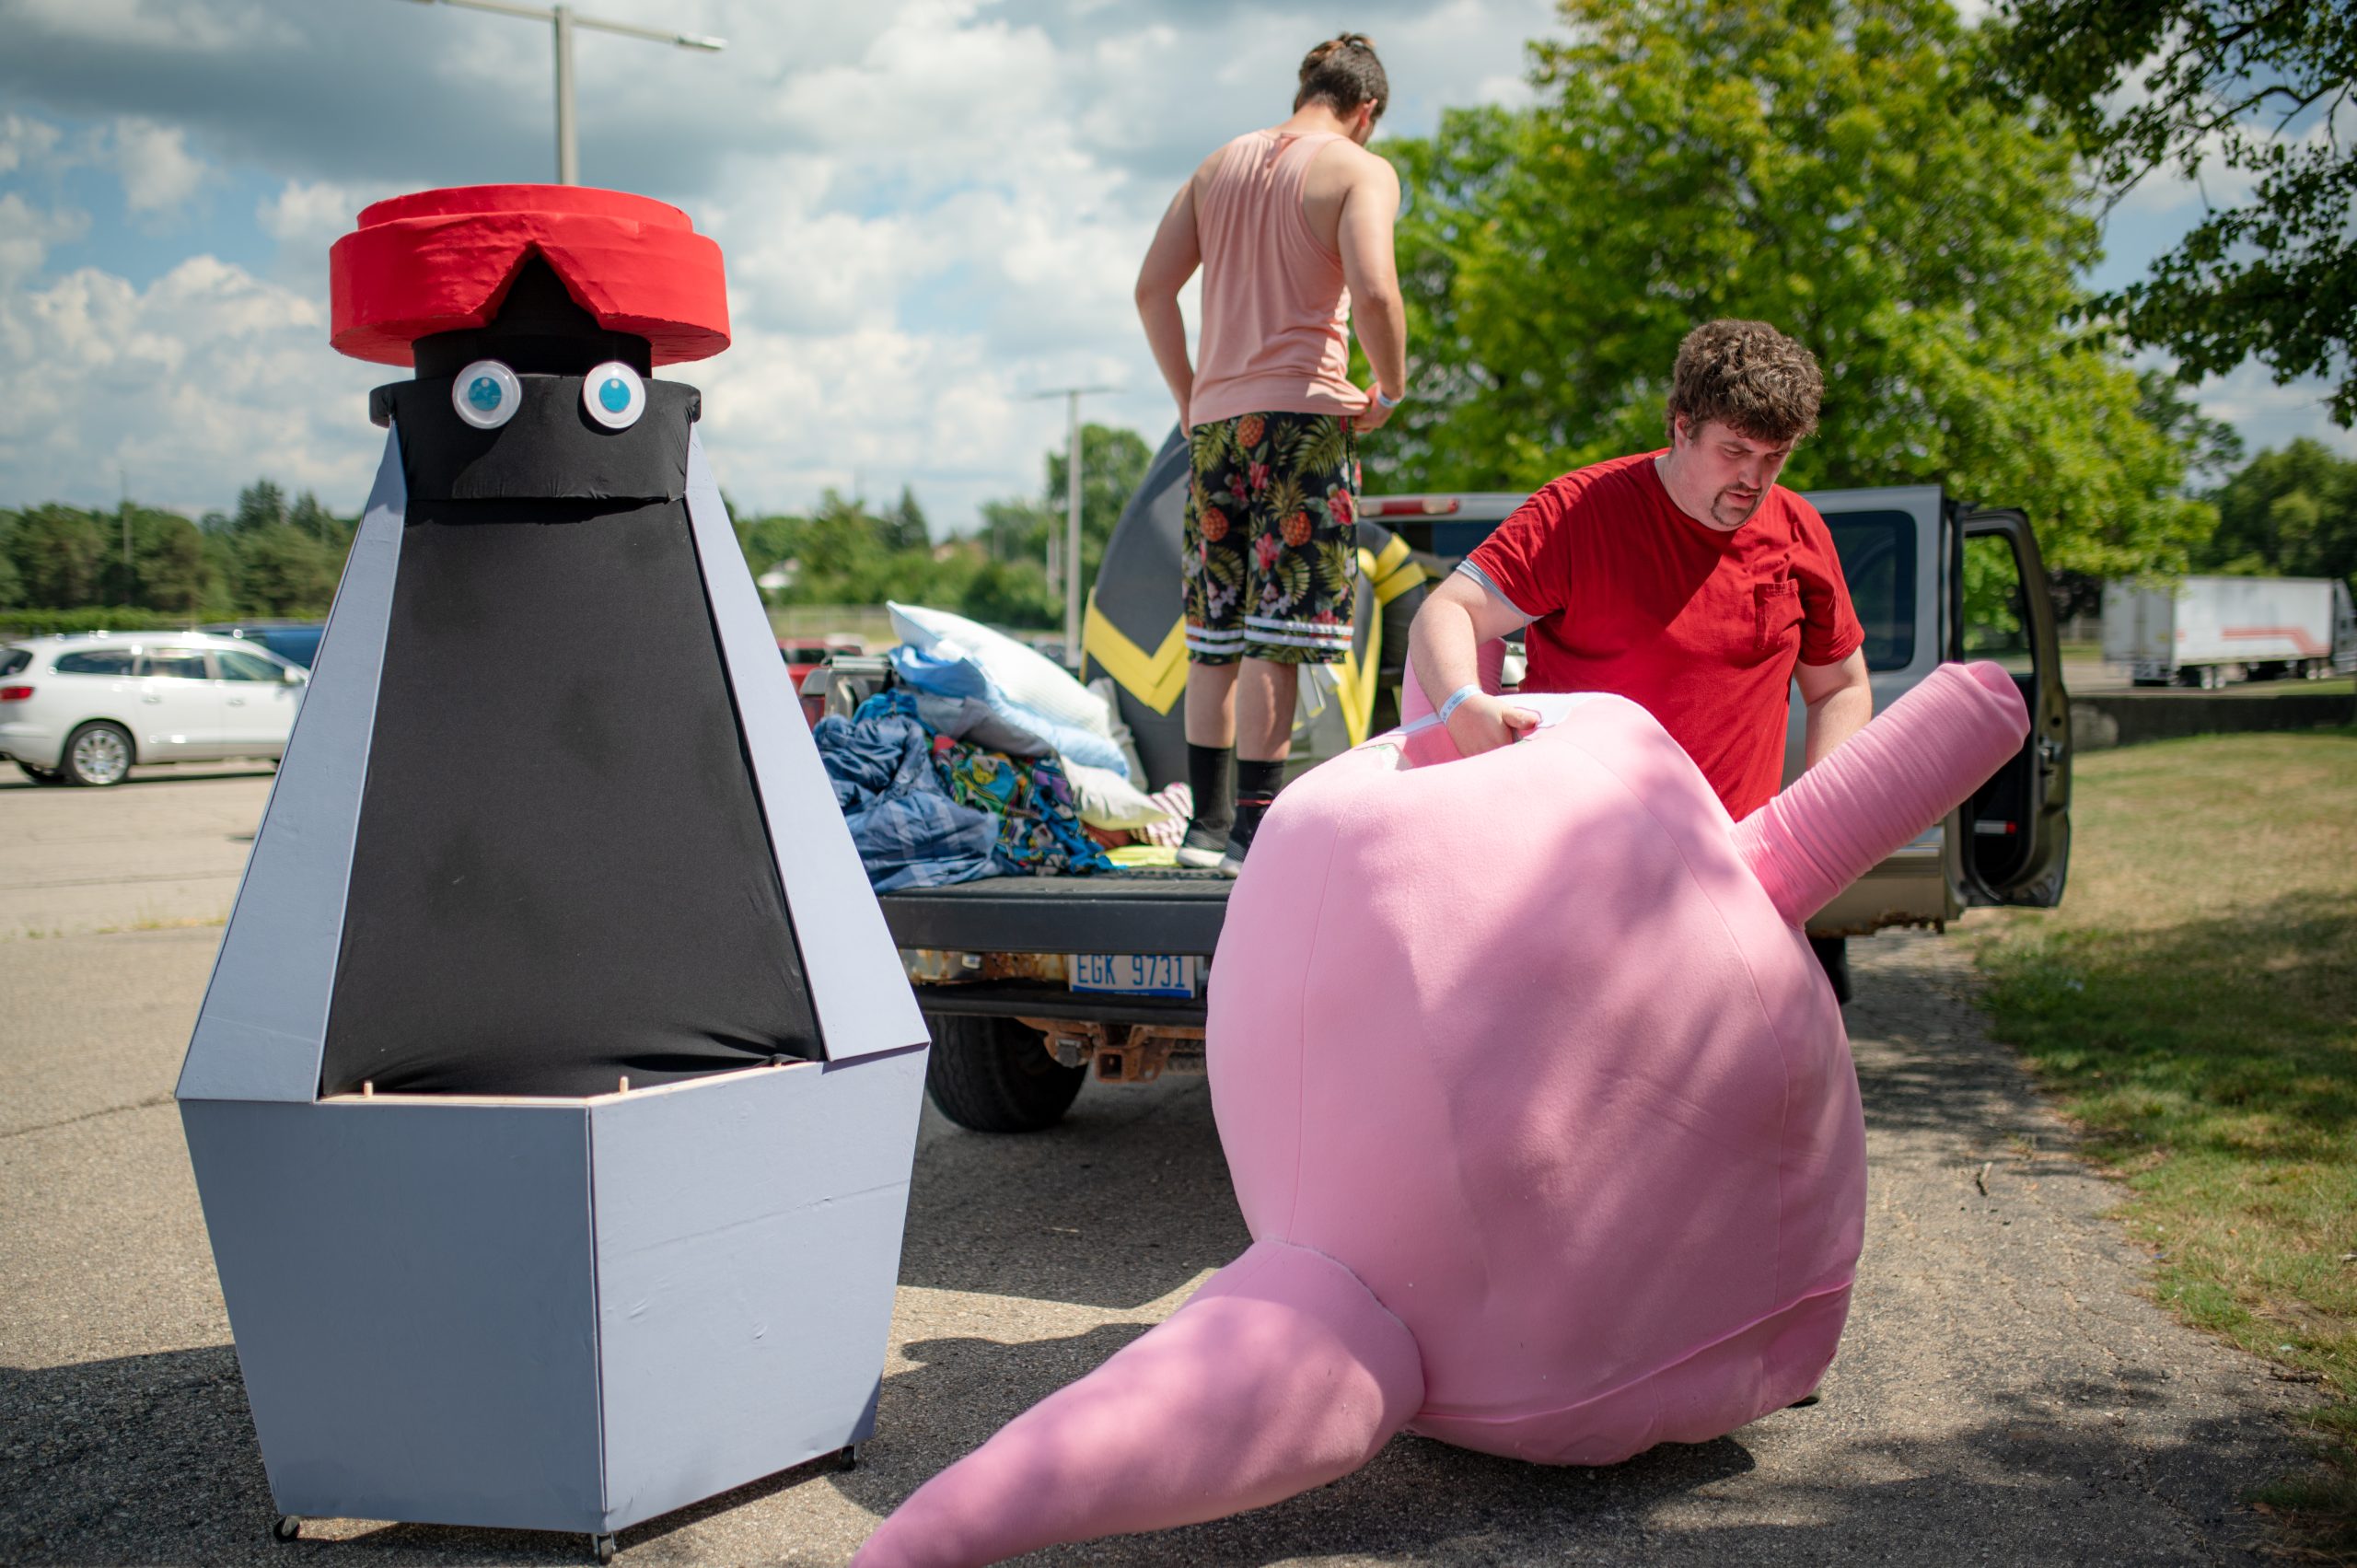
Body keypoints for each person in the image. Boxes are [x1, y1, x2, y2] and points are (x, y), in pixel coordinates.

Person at [1408, 319, 1875, 823]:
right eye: (1734, 451)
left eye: (1775, 456)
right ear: (1683, 427)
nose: (1753, 478)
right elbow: (1448, 610)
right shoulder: (1579, 511)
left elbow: (1839, 688)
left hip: (1734, 859)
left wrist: (1820, 811)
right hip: (1574, 847)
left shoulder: (1799, 529)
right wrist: (1462, 705)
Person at [1134, 32, 1409, 871]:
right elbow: (1374, 290)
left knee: (1214, 632)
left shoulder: (1217, 166)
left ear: (1306, 90)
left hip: (1218, 427)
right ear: (1366, 111)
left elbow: (1152, 290)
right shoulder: (1359, 169)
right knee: (1277, 633)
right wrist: (1389, 387)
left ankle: (1204, 827)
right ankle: (1254, 831)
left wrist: (1190, 398)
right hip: (1303, 421)